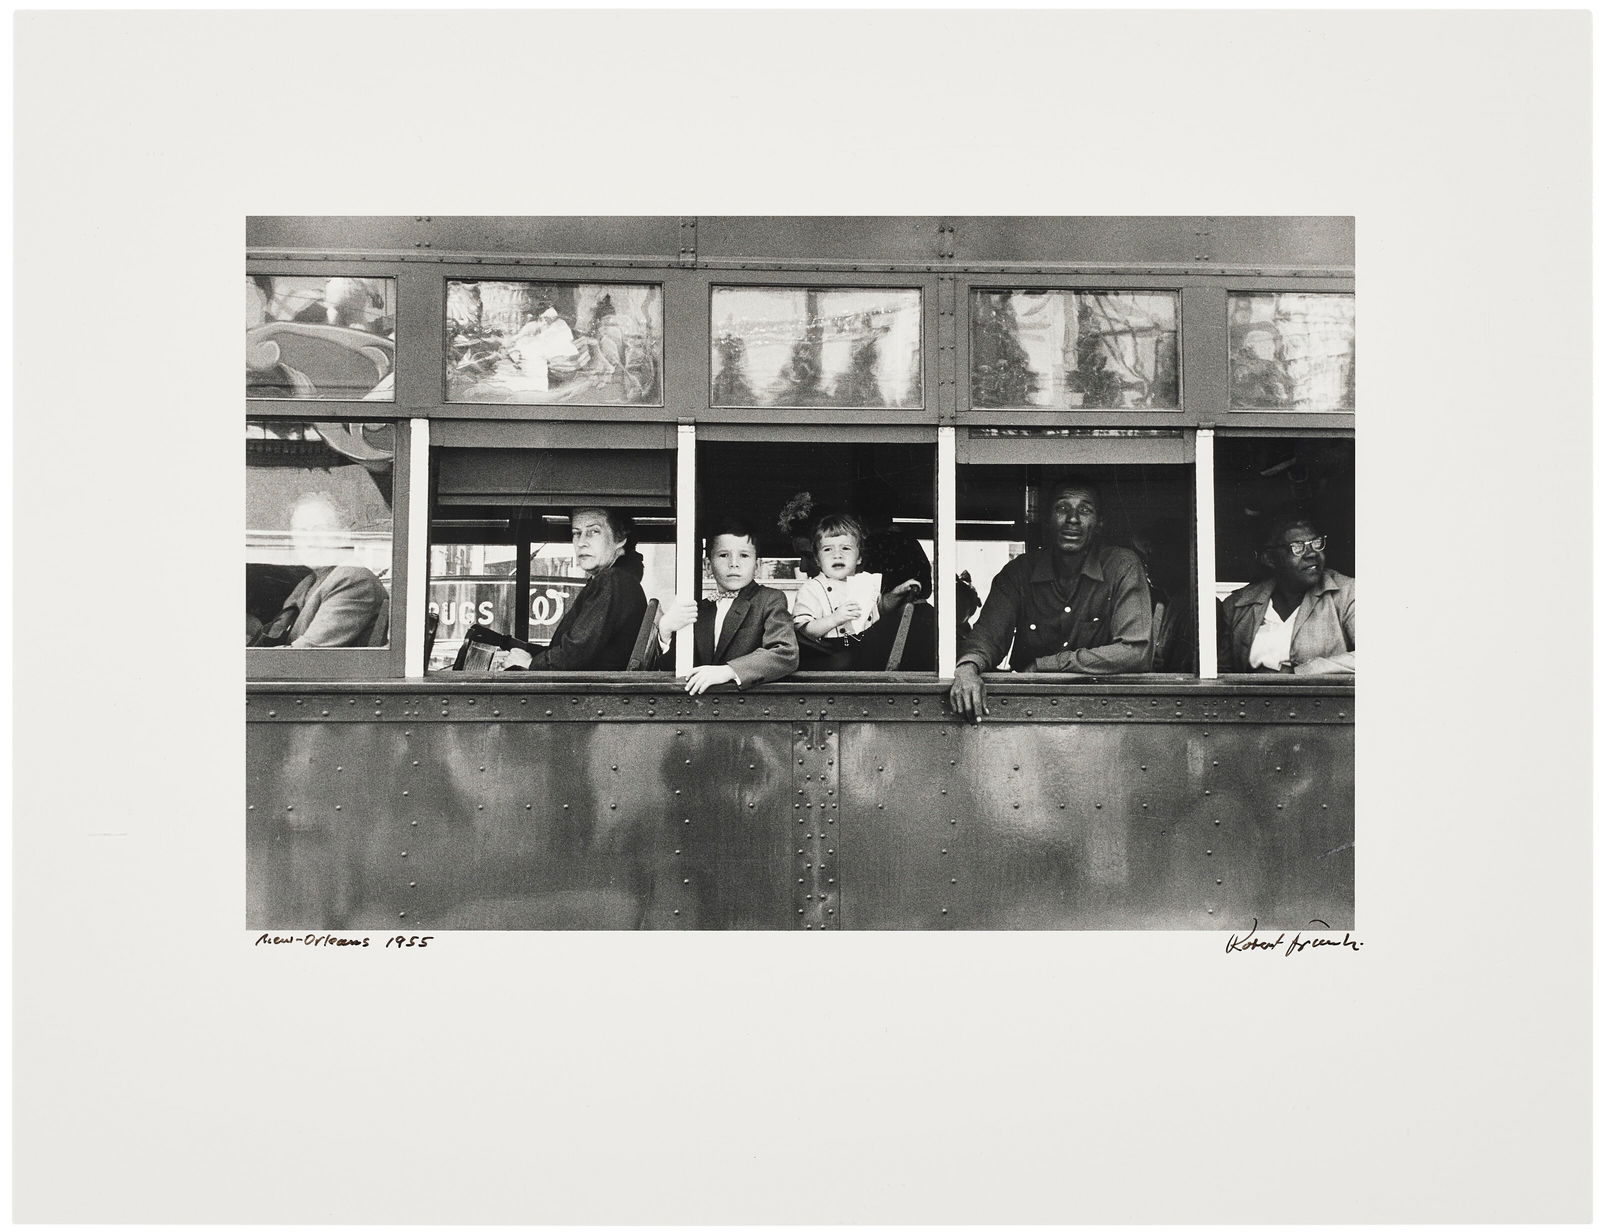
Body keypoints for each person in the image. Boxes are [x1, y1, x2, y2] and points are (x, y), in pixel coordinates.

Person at [949, 477, 1153, 721]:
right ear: (1048, 520)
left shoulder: (1122, 567)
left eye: (1085, 510)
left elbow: (1135, 651)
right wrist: (967, 669)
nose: (1073, 519)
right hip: (1028, 713)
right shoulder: (1018, 573)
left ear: (1099, 523)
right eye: (1062, 508)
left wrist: (1045, 665)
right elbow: (987, 638)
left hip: (1103, 713)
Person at [643, 516, 798, 694]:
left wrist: (728, 671)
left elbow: (785, 653)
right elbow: (671, 670)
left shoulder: (770, 599)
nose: (734, 564)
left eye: (744, 555)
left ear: (756, 565)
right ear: (708, 566)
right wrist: (665, 631)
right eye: (724, 555)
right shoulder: (699, 609)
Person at [500, 507, 647, 671]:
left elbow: (575, 652)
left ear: (620, 538)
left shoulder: (612, 580)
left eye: (593, 532)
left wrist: (529, 663)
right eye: (577, 533)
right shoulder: (620, 579)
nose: (581, 542)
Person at [249, 492, 389, 648]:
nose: (310, 541)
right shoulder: (309, 582)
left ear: (344, 535)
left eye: (320, 530)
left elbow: (307, 653)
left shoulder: (353, 579)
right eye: (301, 532)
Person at [1218, 514, 1354, 674]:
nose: (1312, 553)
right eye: (1297, 546)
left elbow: (1376, 656)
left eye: (1316, 543)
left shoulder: (1347, 593)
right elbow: (1221, 672)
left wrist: (1307, 671)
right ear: (1270, 558)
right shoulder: (1238, 605)